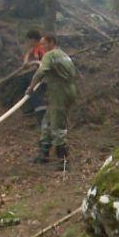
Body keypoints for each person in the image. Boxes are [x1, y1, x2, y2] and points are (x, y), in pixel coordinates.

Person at [27, 33, 78, 166]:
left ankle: (63, 161)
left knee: (57, 124)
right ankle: (43, 154)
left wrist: (31, 87)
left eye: (44, 44)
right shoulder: (63, 55)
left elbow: (41, 71)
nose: (42, 47)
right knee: (47, 121)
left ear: (51, 43)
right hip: (68, 90)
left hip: (59, 91)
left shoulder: (50, 55)